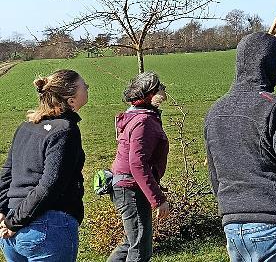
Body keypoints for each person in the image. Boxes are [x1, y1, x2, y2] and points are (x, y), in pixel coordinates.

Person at [205, 32, 276, 262]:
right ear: (268, 66)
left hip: (234, 228)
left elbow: (215, 176)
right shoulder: (274, 107)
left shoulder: (215, 111)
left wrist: (231, 210)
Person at [0, 69, 89, 262]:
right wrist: (13, 222)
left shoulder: (25, 127)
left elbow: (7, 174)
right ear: (70, 100)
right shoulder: (65, 130)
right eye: (84, 85)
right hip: (46, 229)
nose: (88, 87)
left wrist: (3, 212)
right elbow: (50, 185)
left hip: (12, 233)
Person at [108, 72, 171, 262]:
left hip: (128, 186)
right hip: (130, 189)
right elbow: (137, 164)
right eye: (160, 87)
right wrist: (158, 199)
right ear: (151, 94)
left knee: (131, 242)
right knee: (141, 249)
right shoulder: (143, 121)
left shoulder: (138, 116)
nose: (164, 89)